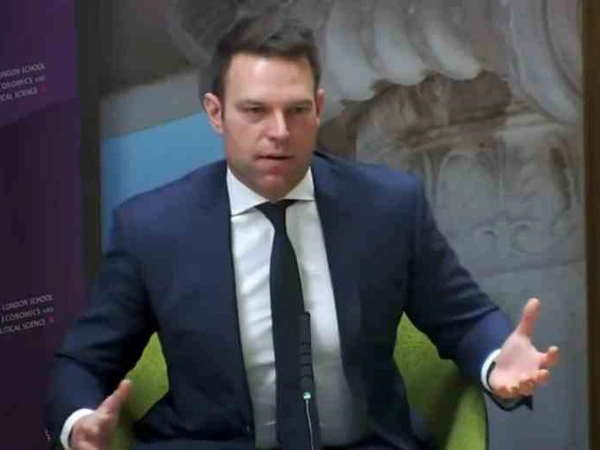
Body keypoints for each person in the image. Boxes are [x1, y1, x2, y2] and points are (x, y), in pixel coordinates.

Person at [46, 12, 559, 450]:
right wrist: (79, 423)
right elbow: (82, 363)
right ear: (216, 113)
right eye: (255, 111)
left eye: (296, 110)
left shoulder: (387, 208)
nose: (279, 132)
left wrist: (496, 361)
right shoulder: (153, 228)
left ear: (318, 107)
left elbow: (464, 320)